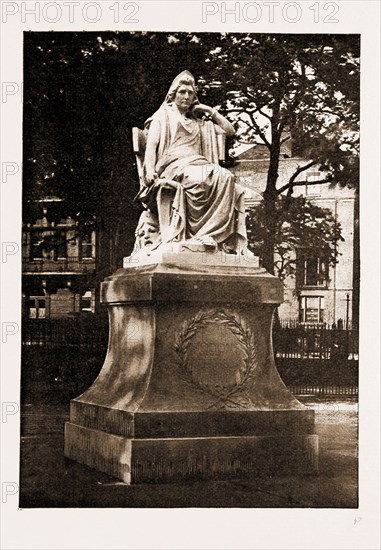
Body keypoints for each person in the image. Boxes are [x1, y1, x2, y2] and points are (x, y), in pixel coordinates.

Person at [134, 70, 248, 255]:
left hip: (198, 164)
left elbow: (230, 131)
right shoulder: (163, 116)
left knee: (227, 177)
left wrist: (210, 111)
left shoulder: (199, 123)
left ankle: (209, 236)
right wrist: (149, 172)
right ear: (173, 94)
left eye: (190, 93)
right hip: (173, 166)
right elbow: (152, 146)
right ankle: (197, 236)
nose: (186, 96)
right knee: (200, 180)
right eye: (182, 92)